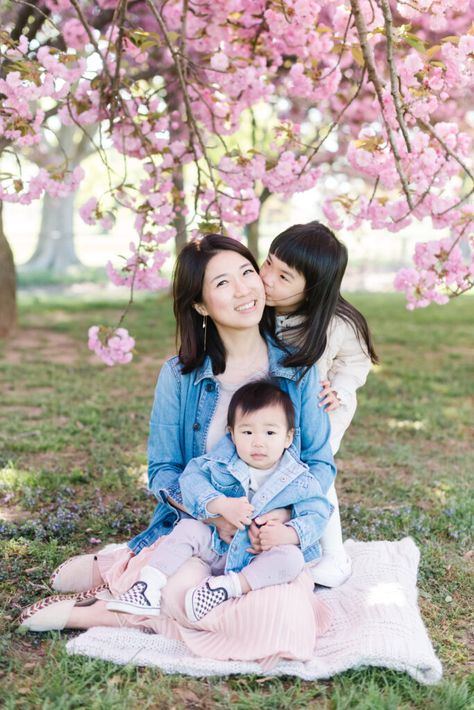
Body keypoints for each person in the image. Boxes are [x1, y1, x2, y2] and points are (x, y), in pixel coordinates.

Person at [20, 234, 334, 666]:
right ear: (201, 305)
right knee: (180, 594)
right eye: (222, 283)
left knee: (283, 622)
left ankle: (117, 594)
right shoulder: (180, 376)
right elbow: (164, 470)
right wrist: (212, 511)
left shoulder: (299, 371)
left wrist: (284, 520)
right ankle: (115, 590)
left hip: (265, 544)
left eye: (247, 272)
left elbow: (318, 464)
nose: (245, 289)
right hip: (199, 533)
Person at [106, 380, 331, 621]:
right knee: (188, 528)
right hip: (218, 546)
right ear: (232, 434)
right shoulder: (220, 465)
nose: (258, 441)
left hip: (260, 555)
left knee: (291, 560)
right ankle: (147, 587)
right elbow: (191, 480)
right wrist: (219, 504)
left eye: (270, 432)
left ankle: (227, 587)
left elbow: (318, 512)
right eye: (247, 432)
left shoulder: (299, 479)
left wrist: (290, 534)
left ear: (288, 438)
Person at [260, 221, 379, 587]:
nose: (267, 278)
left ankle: (334, 556)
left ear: (312, 289)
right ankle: (282, 544)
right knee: (274, 471)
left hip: (322, 410)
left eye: (283, 276)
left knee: (315, 475)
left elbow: (356, 362)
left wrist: (340, 391)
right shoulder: (262, 309)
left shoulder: (336, 323)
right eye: (267, 264)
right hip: (275, 411)